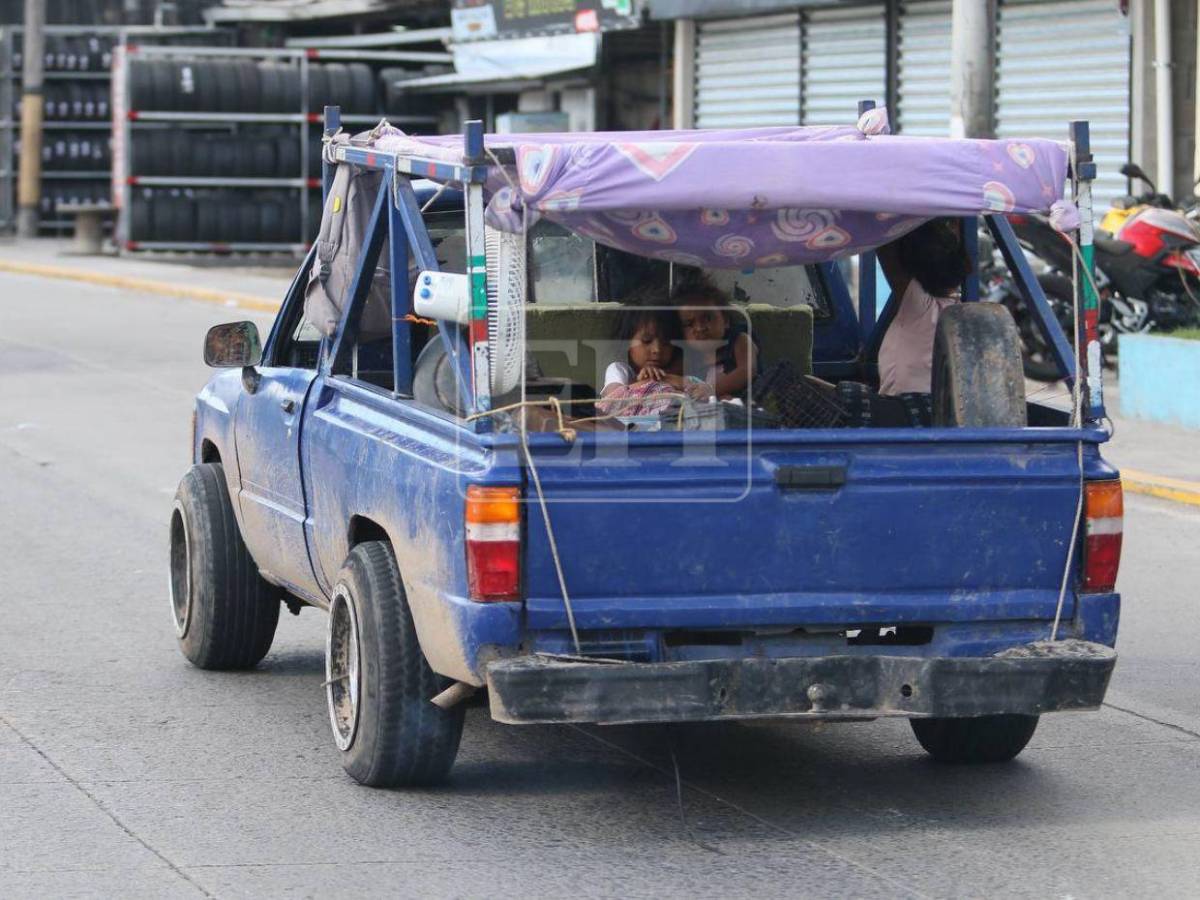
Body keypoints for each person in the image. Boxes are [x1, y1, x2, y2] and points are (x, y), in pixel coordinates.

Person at [875, 217, 971, 396]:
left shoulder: (920, 306)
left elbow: (884, 247)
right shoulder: (960, 310)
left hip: (903, 407)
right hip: (941, 408)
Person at [598, 303, 710, 416]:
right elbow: (611, 401)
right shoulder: (620, 370)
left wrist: (668, 379)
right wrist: (646, 382)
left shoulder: (680, 373)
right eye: (646, 341)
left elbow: (705, 394)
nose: (657, 350)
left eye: (666, 343)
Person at [672, 278, 758, 400]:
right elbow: (670, 376)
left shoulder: (740, 340)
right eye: (689, 323)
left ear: (725, 320)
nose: (700, 328)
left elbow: (747, 370)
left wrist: (712, 390)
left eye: (707, 318)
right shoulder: (687, 356)